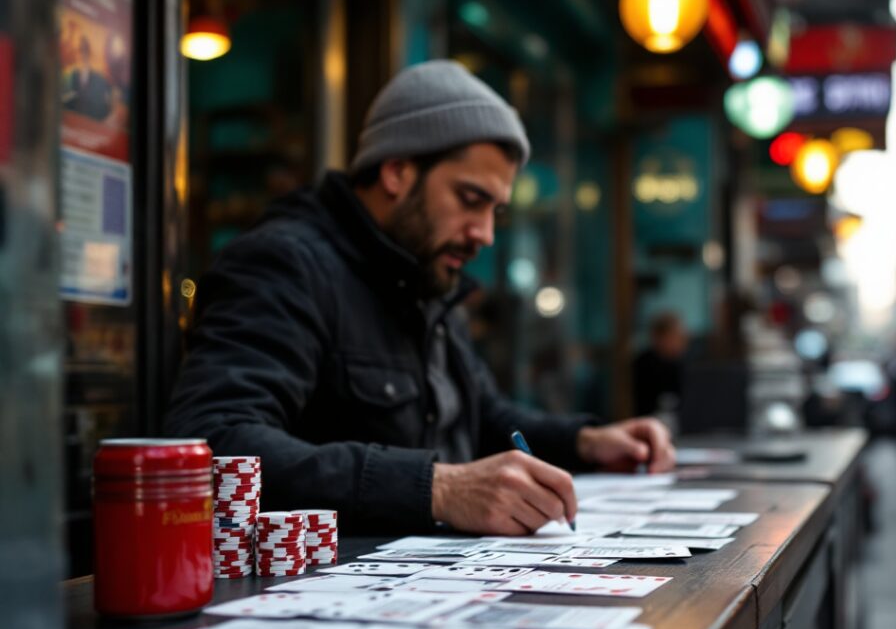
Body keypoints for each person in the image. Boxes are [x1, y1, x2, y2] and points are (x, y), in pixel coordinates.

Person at [164, 60, 675, 537]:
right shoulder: (285, 263)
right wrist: (439, 488)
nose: (485, 234)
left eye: (496, 210)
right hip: (313, 606)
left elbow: (482, 416)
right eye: (471, 200)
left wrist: (587, 442)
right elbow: (213, 441)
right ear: (397, 171)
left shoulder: (425, 269)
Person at [632, 310, 688, 418]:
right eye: (675, 337)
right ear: (658, 338)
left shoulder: (683, 365)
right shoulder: (642, 365)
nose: (682, 342)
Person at [63, 35, 113, 121]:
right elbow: (70, 97)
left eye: (84, 50)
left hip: (90, 122)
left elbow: (104, 107)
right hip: (74, 119)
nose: (81, 55)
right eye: (79, 50)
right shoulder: (73, 75)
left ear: (88, 53)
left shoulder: (99, 79)